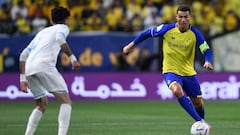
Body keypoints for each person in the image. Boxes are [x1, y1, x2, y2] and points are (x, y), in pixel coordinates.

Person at [123, 5, 213, 128]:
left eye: (185, 17)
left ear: (190, 17)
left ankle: (202, 123)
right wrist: (130, 46)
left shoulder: (195, 34)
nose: (183, 20)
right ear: (176, 17)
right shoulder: (166, 29)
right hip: (170, 71)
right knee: (176, 90)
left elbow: (206, 50)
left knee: (198, 103)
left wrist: (208, 61)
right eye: (180, 17)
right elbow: (146, 33)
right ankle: (200, 122)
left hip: (188, 72)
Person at [19, 6, 80, 135]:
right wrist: (73, 58)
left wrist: (23, 79)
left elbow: (23, 55)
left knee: (41, 105)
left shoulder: (42, 32)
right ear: (66, 20)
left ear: (51, 20)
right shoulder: (63, 28)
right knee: (66, 101)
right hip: (44, 66)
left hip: (29, 67)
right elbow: (59, 39)